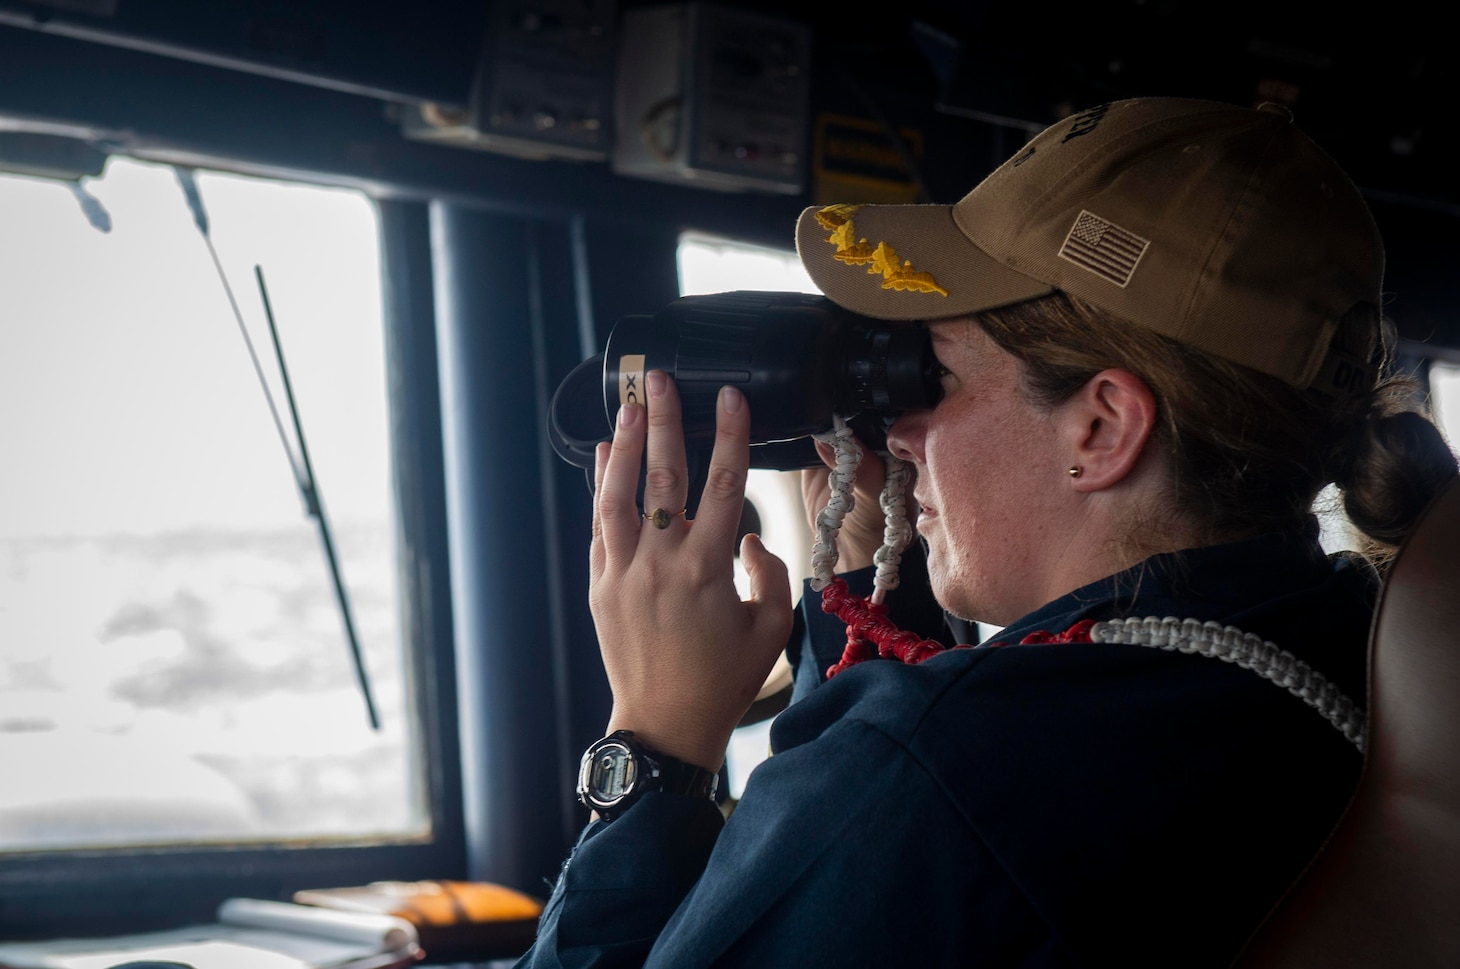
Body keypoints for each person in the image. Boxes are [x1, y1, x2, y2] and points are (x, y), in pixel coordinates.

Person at [516, 98, 1459, 967]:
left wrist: (652, 742)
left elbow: (939, 799)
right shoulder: (1355, 646)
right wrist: (862, 572)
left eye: (936, 377)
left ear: (1100, 428)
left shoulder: (938, 772)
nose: (896, 428)